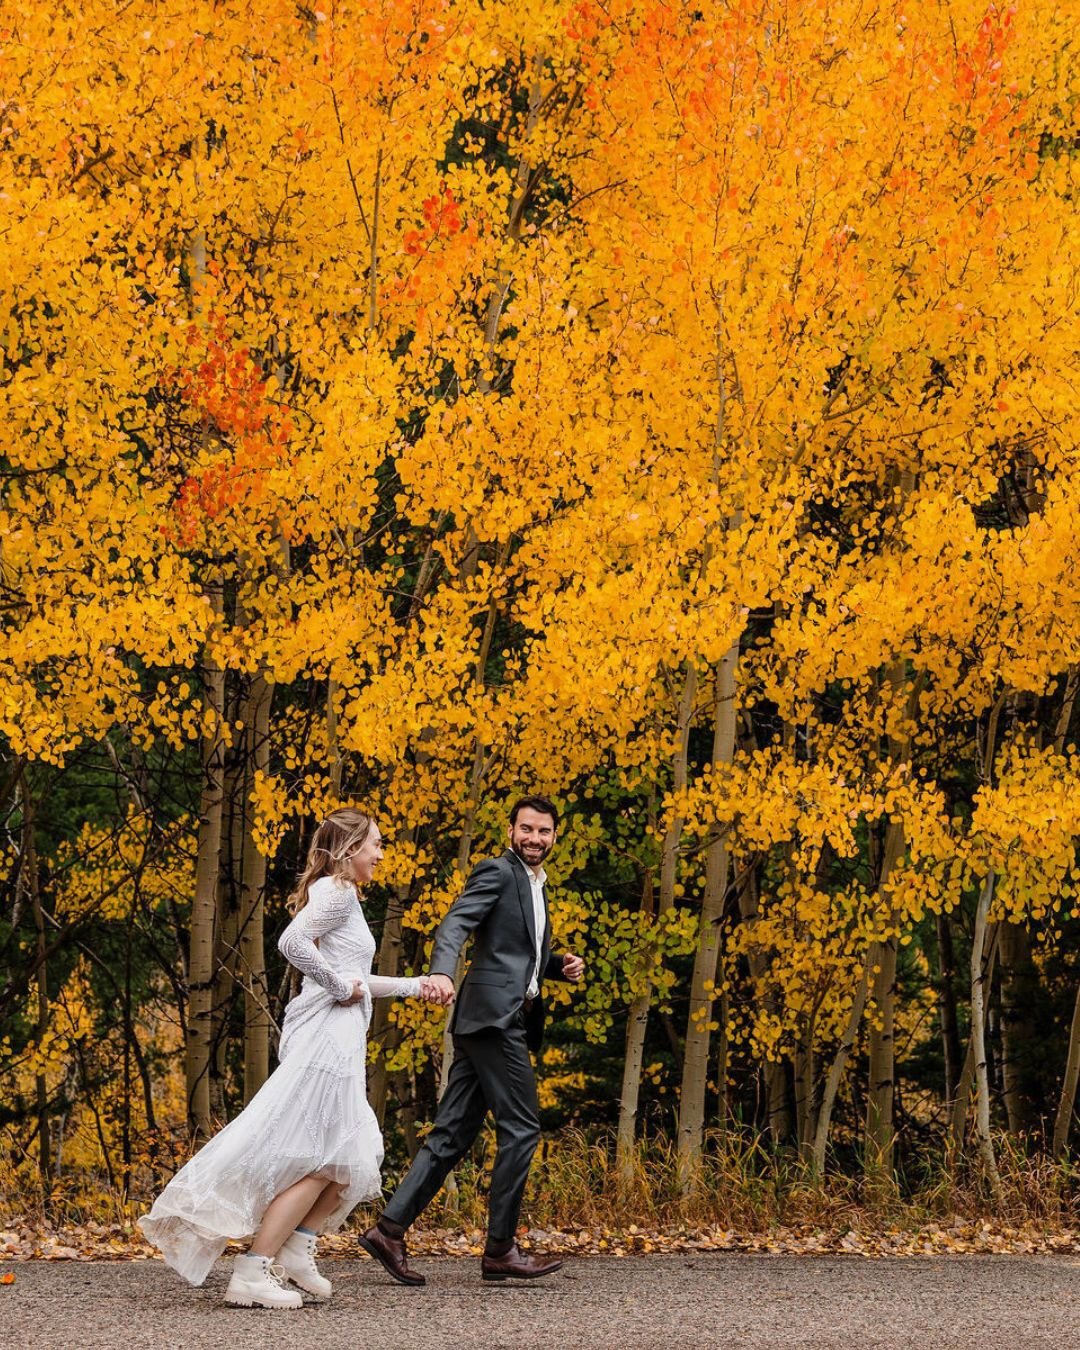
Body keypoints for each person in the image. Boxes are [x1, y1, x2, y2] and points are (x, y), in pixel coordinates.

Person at [140, 808, 448, 1309]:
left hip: (340, 1037)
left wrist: (418, 987)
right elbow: (292, 943)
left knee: (354, 1153)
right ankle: (254, 1270)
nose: (381, 853)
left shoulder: (344, 897)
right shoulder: (335, 892)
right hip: (326, 1042)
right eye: (375, 844)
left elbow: (355, 979)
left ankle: (297, 1246)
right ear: (350, 850)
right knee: (322, 1156)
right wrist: (336, 985)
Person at [360, 794, 585, 1285]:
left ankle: (389, 1230)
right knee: (522, 1128)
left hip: (496, 1018)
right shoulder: (498, 872)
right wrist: (441, 971)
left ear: (554, 836)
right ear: (510, 831)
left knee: (453, 1133)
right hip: (494, 1020)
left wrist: (557, 965)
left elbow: (514, 950)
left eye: (544, 831)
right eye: (526, 829)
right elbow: (457, 923)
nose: (534, 838)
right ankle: (501, 1248)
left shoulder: (536, 886)